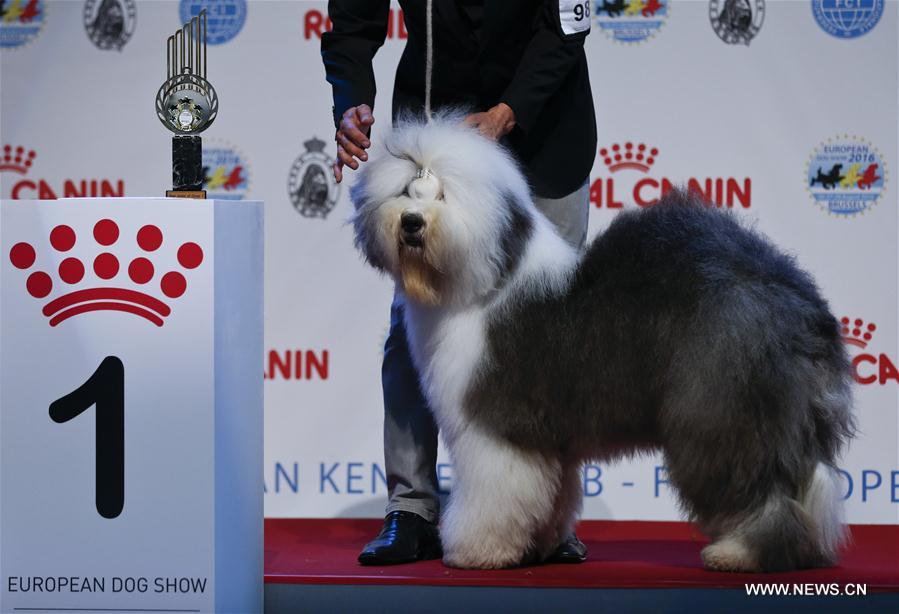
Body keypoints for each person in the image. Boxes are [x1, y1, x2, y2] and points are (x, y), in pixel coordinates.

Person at [321, 0, 597, 565]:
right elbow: (353, 22)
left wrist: (507, 113)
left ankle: (546, 517)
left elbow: (567, 23)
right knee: (414, 323)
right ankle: (412, 506)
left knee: (553, 335)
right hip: (438, 130)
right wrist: (351, 102)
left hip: (545, 128)